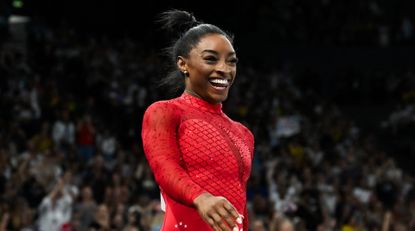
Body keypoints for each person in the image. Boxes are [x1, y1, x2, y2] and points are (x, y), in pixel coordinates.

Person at [141, 9, 254, 231]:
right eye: (211, 59)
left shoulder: (244, 133)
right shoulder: (165, 112)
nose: (224, 69)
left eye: (232, 62)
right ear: (183, 64)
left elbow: (240, 202)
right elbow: (165, 169)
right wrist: (201, 198)